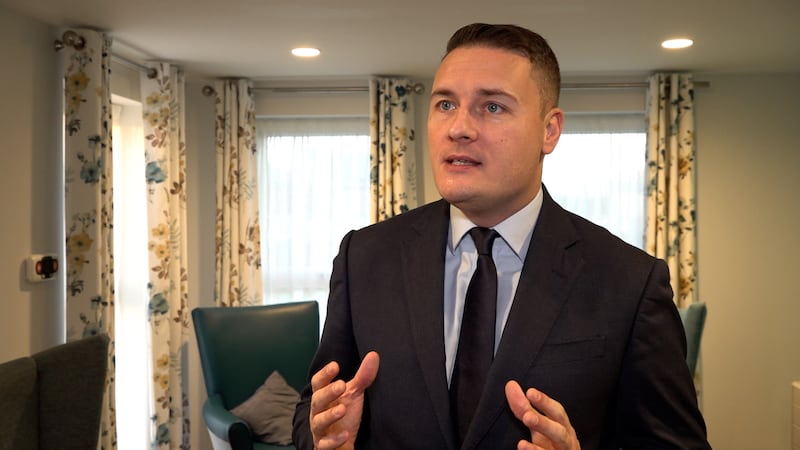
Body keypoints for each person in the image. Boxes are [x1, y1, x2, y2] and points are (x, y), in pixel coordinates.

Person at [292, 22, 711, 450]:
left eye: (492, 107)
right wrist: (324, 437)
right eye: (445, 104)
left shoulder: (629, 282)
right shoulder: (363, 257)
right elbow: (314, 410)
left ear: (549, 131)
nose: (459, 127)